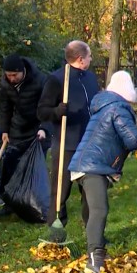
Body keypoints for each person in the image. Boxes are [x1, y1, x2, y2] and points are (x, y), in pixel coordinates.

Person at [68, 71, 137, 273]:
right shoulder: (119, 108)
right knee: (99, 210)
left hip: (84, 163)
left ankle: (97, 246)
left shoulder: (105, 105)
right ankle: (94, 258)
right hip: (94, 166)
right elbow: (132, 140)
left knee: (90, 210)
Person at [38, 40, 100, 227]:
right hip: (67, 143)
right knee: (60, 191)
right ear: (81, 59)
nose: (91, 59)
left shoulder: (90, 78)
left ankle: (93, 232)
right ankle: (56, 229)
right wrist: (57, 111)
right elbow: (41, 111)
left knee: (90, 191)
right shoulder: (57, 79)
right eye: (89, 56)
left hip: (89, 143)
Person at [0, 53, 49, 213]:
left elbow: (48, 105)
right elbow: (5, 108)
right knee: (10, 164)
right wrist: (4, 129)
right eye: (8, 75)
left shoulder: (40, 80)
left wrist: (44, 128)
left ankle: (33, 204)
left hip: (37, 130)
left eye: (14, 75)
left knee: (34, 169)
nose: (11, 78)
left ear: (23, 71)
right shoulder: (6, 84)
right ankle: (10, 203)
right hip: (17, 129)